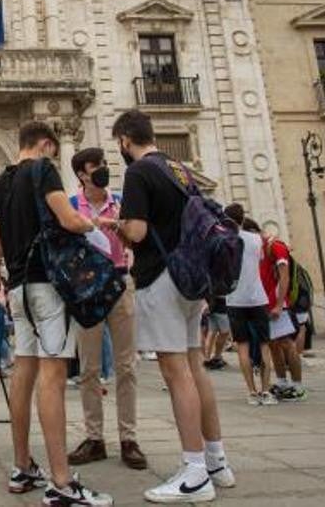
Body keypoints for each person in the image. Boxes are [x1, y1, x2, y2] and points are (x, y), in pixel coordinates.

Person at [112, 109, 233, 503]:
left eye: (120, 145)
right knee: (195, 366)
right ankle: (216, 460)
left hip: (161, 277)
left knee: (175, 370)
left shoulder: (137, 173)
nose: (121, 151)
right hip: (189, 279)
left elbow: (137, 230)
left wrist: (118, 225)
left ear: (126, 140)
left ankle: (195, 472)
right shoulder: (177, 168)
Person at [0, 122, 111, 506]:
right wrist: (97, 223)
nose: (54, 156)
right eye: (53, 150)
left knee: (23, 370)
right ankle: (61, 482)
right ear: (44, 144)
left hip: (19, 288)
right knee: (53, 375)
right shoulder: (42, 170)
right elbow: (69, 219)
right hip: (48, 285)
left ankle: (22, 466)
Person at [64, 147, 147, 471]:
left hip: (120, 281)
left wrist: (119, 227)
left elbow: (136, 240)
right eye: (95, 166)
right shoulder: (72, 206)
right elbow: (63, 245)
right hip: (87, 287)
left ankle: (129, 439)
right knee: (88, 368)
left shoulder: (121, 202)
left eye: (103, 164)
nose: (102, 169)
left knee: (127, 366)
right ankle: (94, 438)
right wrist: (88, 226)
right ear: (82, 174)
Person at [222, 206, 276, 405]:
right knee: (263, 346)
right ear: (243, 218)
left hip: (234, 299)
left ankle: (252, 392)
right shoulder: (255, 239)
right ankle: (266, 390)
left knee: (242, 347)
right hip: (257, 298)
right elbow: (262, 257)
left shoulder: (225, 241)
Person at [261, 231, 306, 401]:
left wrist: (280, 304)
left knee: (287, 344)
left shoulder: (276, 246)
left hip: (279, 305)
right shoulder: (258, 249)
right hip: (265, 304)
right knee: (273, 345)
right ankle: (282, 382)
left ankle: (298, 385)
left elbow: (284, 276)